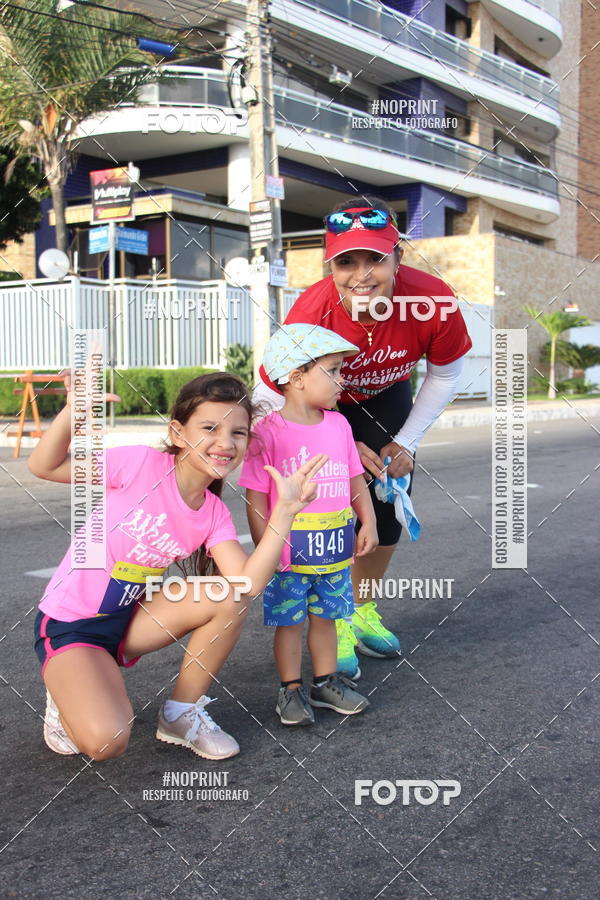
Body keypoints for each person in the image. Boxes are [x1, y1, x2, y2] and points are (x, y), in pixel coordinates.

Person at [28, 371, 327, 761]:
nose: (225, 442)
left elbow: (249, 584)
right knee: (107, 741)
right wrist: (74, 412)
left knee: (231, 597)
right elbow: (45, 466)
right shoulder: (139, 464)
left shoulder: (214, 512)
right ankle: (65, 691)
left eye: (238, 433)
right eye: (209, 428)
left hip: (129, 620)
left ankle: (181, 714)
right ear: (178, 432)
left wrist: (284, 512)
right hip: (72, 625)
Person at [254, 196, 472, 676]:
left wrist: (407, 441)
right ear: (329, 265)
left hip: (388, 398)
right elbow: (274, 393)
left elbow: (446, 375)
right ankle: (333, 617)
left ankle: (361, 607)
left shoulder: (433, 300)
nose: (362, 274)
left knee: (390, 502)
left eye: (376, 257)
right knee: (334, 512)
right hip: (320, 405)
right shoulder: (312, 309)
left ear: (399, 257)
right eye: (346, 261)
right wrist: (334, 442)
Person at [238, 324, 378, 724]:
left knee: (328, 618)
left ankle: (324, 683)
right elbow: (256, 498)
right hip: (288, 553)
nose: (342, 379)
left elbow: (354, 479)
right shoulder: (266, 434)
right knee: (289, 623)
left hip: (335, 548)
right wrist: (268, 548)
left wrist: (367, 521)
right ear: (296, 378)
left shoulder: (339, 425)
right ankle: (290, 690)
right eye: (333, 370)